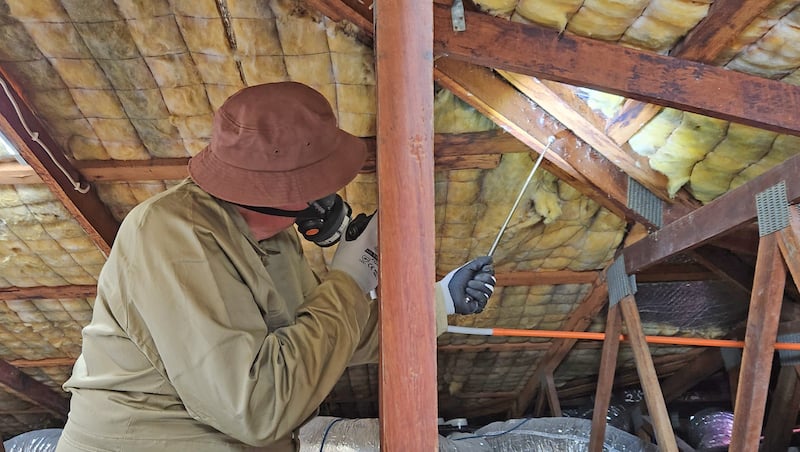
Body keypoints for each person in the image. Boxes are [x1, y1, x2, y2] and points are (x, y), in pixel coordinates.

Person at [56, 82, 496, 451]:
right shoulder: (172, 235)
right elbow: (256, 407)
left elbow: (322, 337)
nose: (332, 193)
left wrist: (438, 300)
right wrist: (350, 277)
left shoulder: (275, 235)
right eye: (323, 181)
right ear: (288, 192)